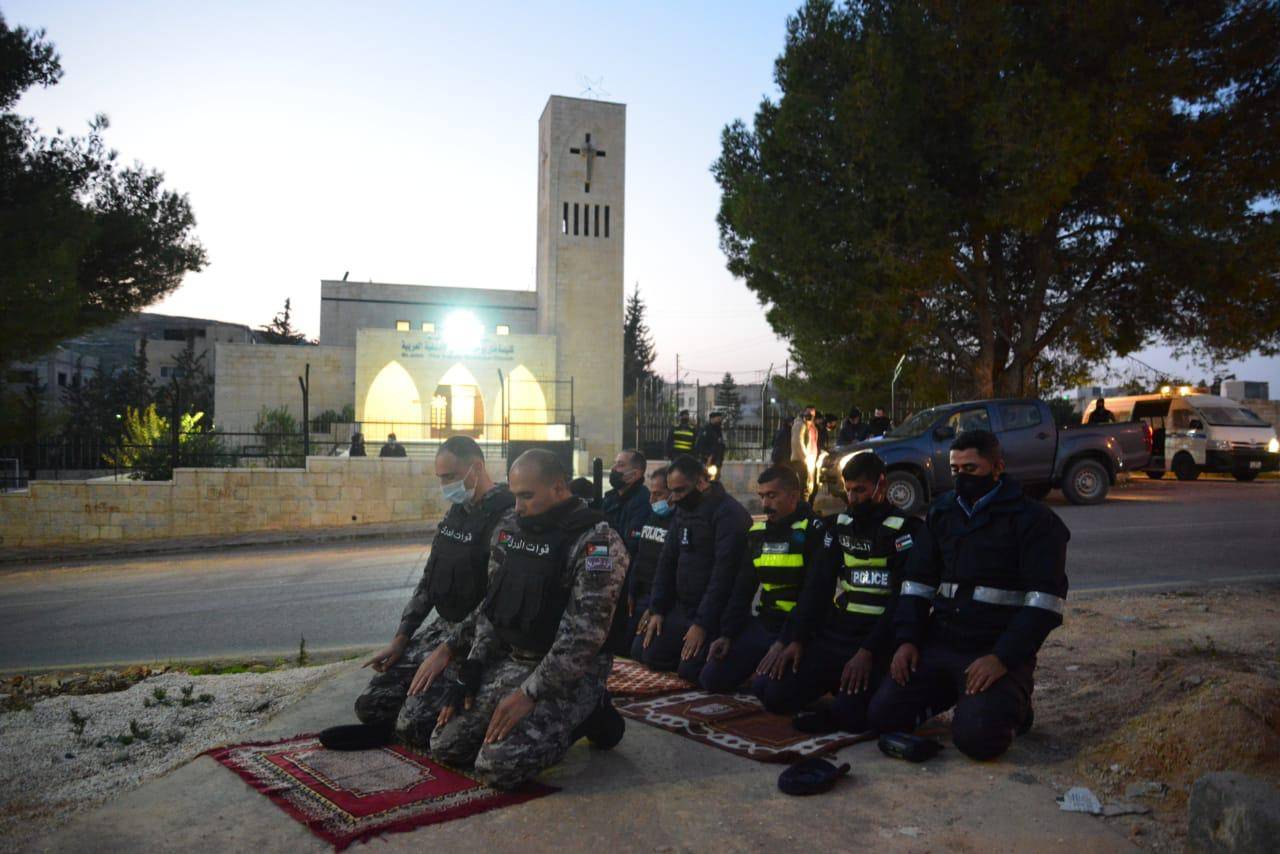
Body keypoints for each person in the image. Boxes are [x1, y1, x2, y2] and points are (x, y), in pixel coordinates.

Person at [428, 449, 629, 789]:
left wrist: (529, 694)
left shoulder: (597, 543)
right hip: (515, 658)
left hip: (569, 673)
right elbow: (494, 605)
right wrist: (473, 668)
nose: (517, 506)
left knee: (497, 767)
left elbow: (582, 639)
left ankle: (591, 712)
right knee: (444, 744)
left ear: (558, 487)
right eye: (514, 494)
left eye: (526, 496)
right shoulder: (512, 527)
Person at [867, 430, 1070, 761]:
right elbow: (916, 583)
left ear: (997, 467)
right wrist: (907, 640)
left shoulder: (1034, 521)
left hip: (993, 648)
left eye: (971, 469)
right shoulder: (943, 513)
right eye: (955, 469)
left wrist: (1002, 658)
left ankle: (1013, 703)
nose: (961, 477)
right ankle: (961, 695)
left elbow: (1045, 603)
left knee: (979, 741)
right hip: (943, 641)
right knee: (882, 718)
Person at [354, 436, 513, 745]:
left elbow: (496, 601)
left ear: (476, 468)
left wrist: (447, 651)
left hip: (479, 636)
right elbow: (430, 579)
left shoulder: (505, 517)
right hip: (445, 626)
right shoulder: (457, 511)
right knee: (371, 705)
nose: (445, 485)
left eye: (450, 477)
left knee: (411, 725)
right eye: (441, 478)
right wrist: (402, 638)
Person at [753, 452, 924, 733]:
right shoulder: (839, 526)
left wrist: (867, 651)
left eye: (860, 490)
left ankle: (851, 694)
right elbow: (816, 589)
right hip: (840, 632)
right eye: (849, 490)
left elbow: (902, 601)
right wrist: (795, 639)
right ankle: (838, 683)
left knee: (853, 717)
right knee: (771, 693)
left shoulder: (905, 530)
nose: (853, 498)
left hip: (880, 638)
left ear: (881, 485)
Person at [701, 466, 823, 693]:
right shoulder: (758, 534)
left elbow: (813, 594)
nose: (765, 504)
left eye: (772, 496)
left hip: (799, 629)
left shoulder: (813, 531)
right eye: (762, 496)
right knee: (711, 678)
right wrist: (727, 634)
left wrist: (788, 639)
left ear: (793, 496)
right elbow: (743, 588)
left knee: (768, 692)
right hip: (765, 623)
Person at [632, 455, 751, 683]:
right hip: (682, 608)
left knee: (692, 672)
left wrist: (702, 624)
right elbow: (667, 561)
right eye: (672, 491)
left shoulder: (728, 515)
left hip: (713, 614)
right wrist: (657, 609)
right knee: (643, 651)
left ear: (701, 483)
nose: (674, 499)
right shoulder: (683, 511)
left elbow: (723, 575)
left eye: (680, 491)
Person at [602, 450, 651, 555]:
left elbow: (630, 545)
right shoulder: (610, 498)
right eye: (615, 463)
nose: (613, 468)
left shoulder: (642, 502)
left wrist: (594, 550)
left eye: (620, 465)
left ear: (635, 474)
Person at [790, 406, 820, 500]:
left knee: (810, 485)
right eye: (809, 414)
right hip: (802, 460)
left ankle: (807, 508)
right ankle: (803, 509)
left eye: (812, 414)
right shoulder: (800, 425)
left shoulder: (811, 426)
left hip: (810, 460)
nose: (811, 416)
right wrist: (804, 457)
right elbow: (797, 442)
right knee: (804, 486)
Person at [694, 411, 727, 475]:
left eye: (720, 419)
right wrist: (707, 456)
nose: (720, 421)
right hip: (708, 460)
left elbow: (720, 444)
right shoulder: (706, 429)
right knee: (707, 477)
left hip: (717, 460)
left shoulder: (718, 430)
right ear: (712, 419)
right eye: (718, 419)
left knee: (715, 478)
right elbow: (700, 444)